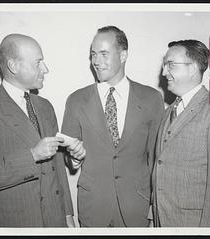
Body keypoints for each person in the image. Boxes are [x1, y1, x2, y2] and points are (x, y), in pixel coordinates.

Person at [0, 34, 75, 227]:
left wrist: (67, 215)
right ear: (13, 66)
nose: (45, 69)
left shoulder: (45, 107)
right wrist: (32, 155)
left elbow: (57, 167)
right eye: (38, 63)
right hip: (17, 224)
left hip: (56, 222)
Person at [61, 26, 164, 227]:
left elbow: (155, 159)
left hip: (138, 208)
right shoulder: (76, 100)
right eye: (93, 55)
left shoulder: (152, 99)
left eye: (104, 54)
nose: (96, 62)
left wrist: (154, 208)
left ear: (123, 55)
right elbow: (69, 156)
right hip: (94, 209)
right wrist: (73, 158)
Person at [149, 39, 210, 227]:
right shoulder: (168, 112)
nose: (164, 72)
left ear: (193, 68)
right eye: (165, 66)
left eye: (171, 65)